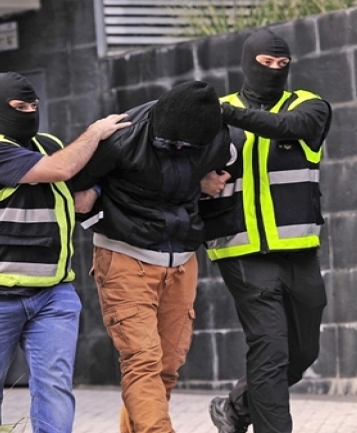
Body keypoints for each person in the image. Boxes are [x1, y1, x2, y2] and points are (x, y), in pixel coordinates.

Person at [0, 71, 129, 433]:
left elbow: (73, 198)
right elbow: (62, 168)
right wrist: (95, 132)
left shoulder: (45, 143)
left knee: (55, 388)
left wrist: (100, 183)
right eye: (19, 107)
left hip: (52, 293)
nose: (29, 112)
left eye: (34, 105)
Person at [70, 80, 230, 433]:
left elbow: (223, 169)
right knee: (142, 360)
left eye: (186, 148)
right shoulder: (122, 136)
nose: (176, 150)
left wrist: (202, 180)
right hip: (125, 259)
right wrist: (101, 219)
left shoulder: (218, 138)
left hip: (181, 261)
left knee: (167, 367)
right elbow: (76, 188)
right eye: (170, 144)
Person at [200, 29, 332, 433]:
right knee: (271, 349)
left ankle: (236, 408)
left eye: (282, 64)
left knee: (302, 353)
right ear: (247, 63)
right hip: (241, 253)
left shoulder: (309, 106)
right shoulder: (213, 112)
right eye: (265, 63)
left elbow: (286, 126)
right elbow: (177, 164)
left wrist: (229, 116)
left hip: (298, 251)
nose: (274, 71)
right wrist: (199, 181)